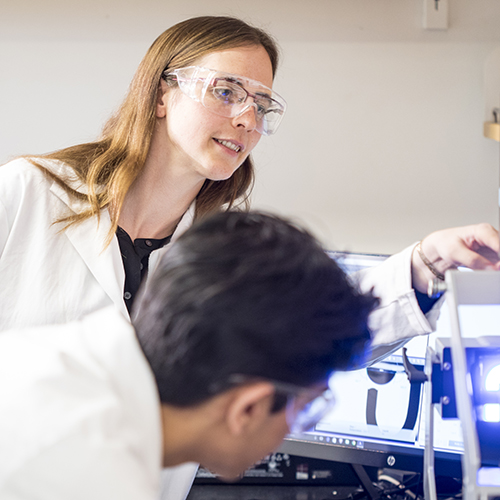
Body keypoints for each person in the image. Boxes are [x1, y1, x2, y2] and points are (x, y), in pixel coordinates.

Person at [0, 13, 498, 496]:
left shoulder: (215, 248)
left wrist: (427, 262)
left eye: (262, 104)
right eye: (226, 92)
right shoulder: (27, 193)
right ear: (160, 95)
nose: (247, 118)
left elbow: (302, 340)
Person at [0, 211, 378, 500]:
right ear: (249, 408)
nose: (297, 429)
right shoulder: (95, 480)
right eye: (307, 409)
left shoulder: (54, 356)